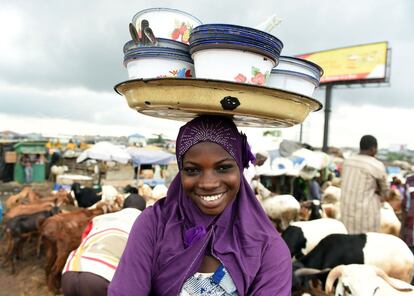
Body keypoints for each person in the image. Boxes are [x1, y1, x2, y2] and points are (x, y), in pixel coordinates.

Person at [108, 115, 291, 295]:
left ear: (240, 168)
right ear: (181, 172)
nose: (208, 183)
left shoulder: (268, 249)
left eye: (223, 167)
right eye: (192, 170)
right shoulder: (154, 224)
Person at [61, 193, 146, 296]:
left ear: (123, 206)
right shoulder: (146, 224)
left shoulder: (100, 219)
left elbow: (83, 240)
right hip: (103, 276)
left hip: (70, 272)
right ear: (144, 210)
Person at [340, 135, 388, 234]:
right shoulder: (376, 165)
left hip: (346, 214)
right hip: (365, 219)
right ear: (373, 149)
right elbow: (385, 193)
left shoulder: (347, 162)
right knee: (368, 246)